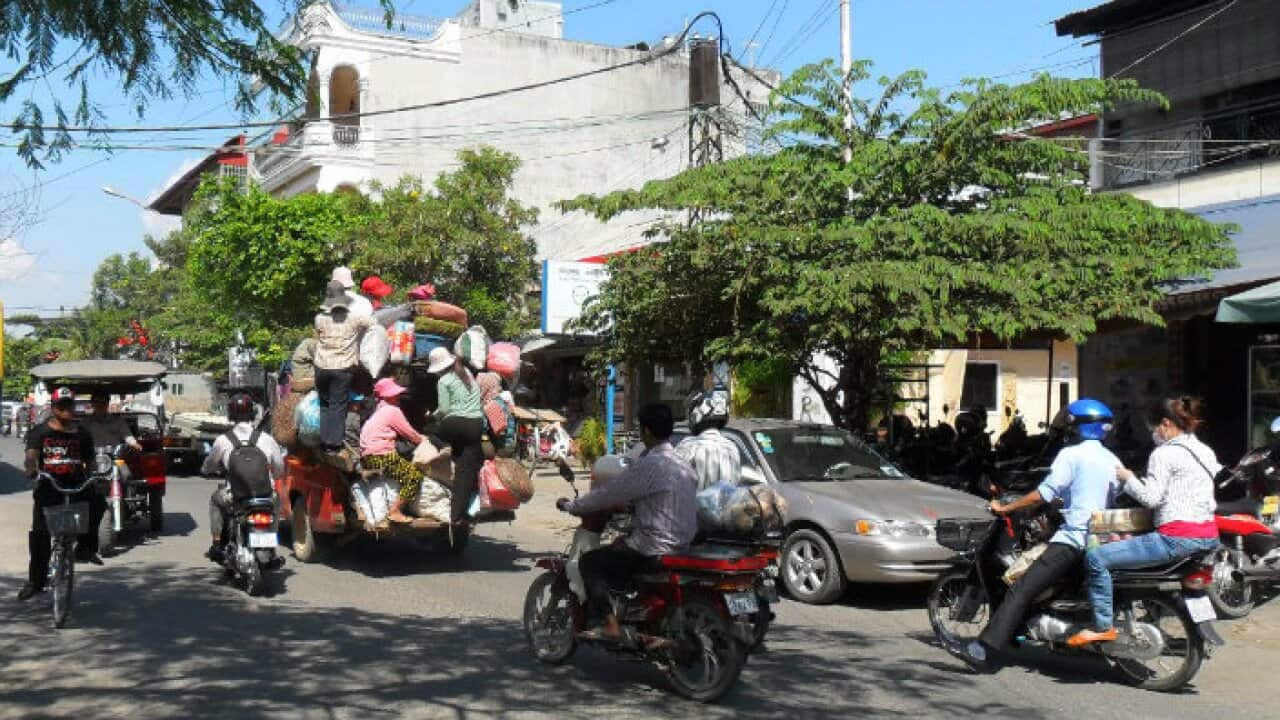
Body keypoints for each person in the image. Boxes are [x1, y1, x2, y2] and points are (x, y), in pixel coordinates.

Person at [958, 398, 1121, 672]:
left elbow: (1043, 493)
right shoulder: (1110, 458)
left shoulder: (1071, 455)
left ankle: (983, 650)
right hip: (1102, 539)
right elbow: (1108, 496)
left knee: (1020, 589)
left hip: (1073, 540)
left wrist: (1007, 507)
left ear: (1078, 428)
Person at [1068, 396, 1222, 647]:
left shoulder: (1164, 453)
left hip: (1176, 538)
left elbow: (1151, 498)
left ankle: (1102, 626)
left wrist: (1128, 478)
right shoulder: (1205, 451)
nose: (1154, 434)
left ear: (1165, 424)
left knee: (1097, 558)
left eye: (1153, 429)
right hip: (1208, 536)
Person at [556, 403, 698, 643]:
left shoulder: (650, 465)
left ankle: (610, 625)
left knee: (591, 562)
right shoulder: (684, 464)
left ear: (647, 432)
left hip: (653, 546)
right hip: (683, 544)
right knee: (622, 545)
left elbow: (608, 493)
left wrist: (573, 506)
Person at [18, 388, 105, 601]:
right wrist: (31, 470)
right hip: (50, 486)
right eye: (61, 406)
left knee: (99, 503)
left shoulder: (82, 434)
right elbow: (31, 456)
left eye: (69, 405)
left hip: (77, 484)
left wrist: (95, 478)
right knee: (40, 533)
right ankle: (35, 582)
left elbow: (91, 462)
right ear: (53, 408)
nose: (66, 410)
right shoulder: (40, 432)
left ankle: (86, 548)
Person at [203, 393, 285, 562]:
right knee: (276, 503)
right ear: (253, 413)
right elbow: (279, 469)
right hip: (265, 496)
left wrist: (207, 470)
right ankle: (271, 543)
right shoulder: (266, 439)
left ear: (230, 415)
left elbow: (208, 466)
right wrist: (273, 475)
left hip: (235, 497)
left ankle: (217, 544)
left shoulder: (223, 440)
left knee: (215, 500)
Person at [426, 347, 485, 523]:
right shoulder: (466, 372)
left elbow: (444, 410)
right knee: (466, 470)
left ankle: (445, 448)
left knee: (432, 436)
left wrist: (432, 416)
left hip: (455, 423)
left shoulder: (443, 381)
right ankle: (457, 514)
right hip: (476, 424)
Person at [314, 280, 373, 453]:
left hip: (321, 367)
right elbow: (373, 324)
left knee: (324, 404)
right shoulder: (355, 318)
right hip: (342, 368)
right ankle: (334, 445)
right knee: (338, 406)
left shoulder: (319, 319)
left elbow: (319, 334)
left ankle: (325, 442)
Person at [359, 379, 425, 524]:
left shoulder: (380, 409)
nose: (398, 397)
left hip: (368, 456)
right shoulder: (392, 411)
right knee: (414, 477)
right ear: (387, 396)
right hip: (381, 456)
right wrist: (424, 440)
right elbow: (410, 434)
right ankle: (395, 510)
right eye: (395, 395)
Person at [675, 385, 741, 491]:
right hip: (727, 507)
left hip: (693, 507)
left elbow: (673, 482)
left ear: (696, 415)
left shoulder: (688, 446)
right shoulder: (732, 448)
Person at [477, 372, 515, 454]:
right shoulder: (503, 401)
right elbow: (509, 420)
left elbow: (483, 426)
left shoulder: (483, 406)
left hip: (489, 445)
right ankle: (507, 446)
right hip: (506, 442)